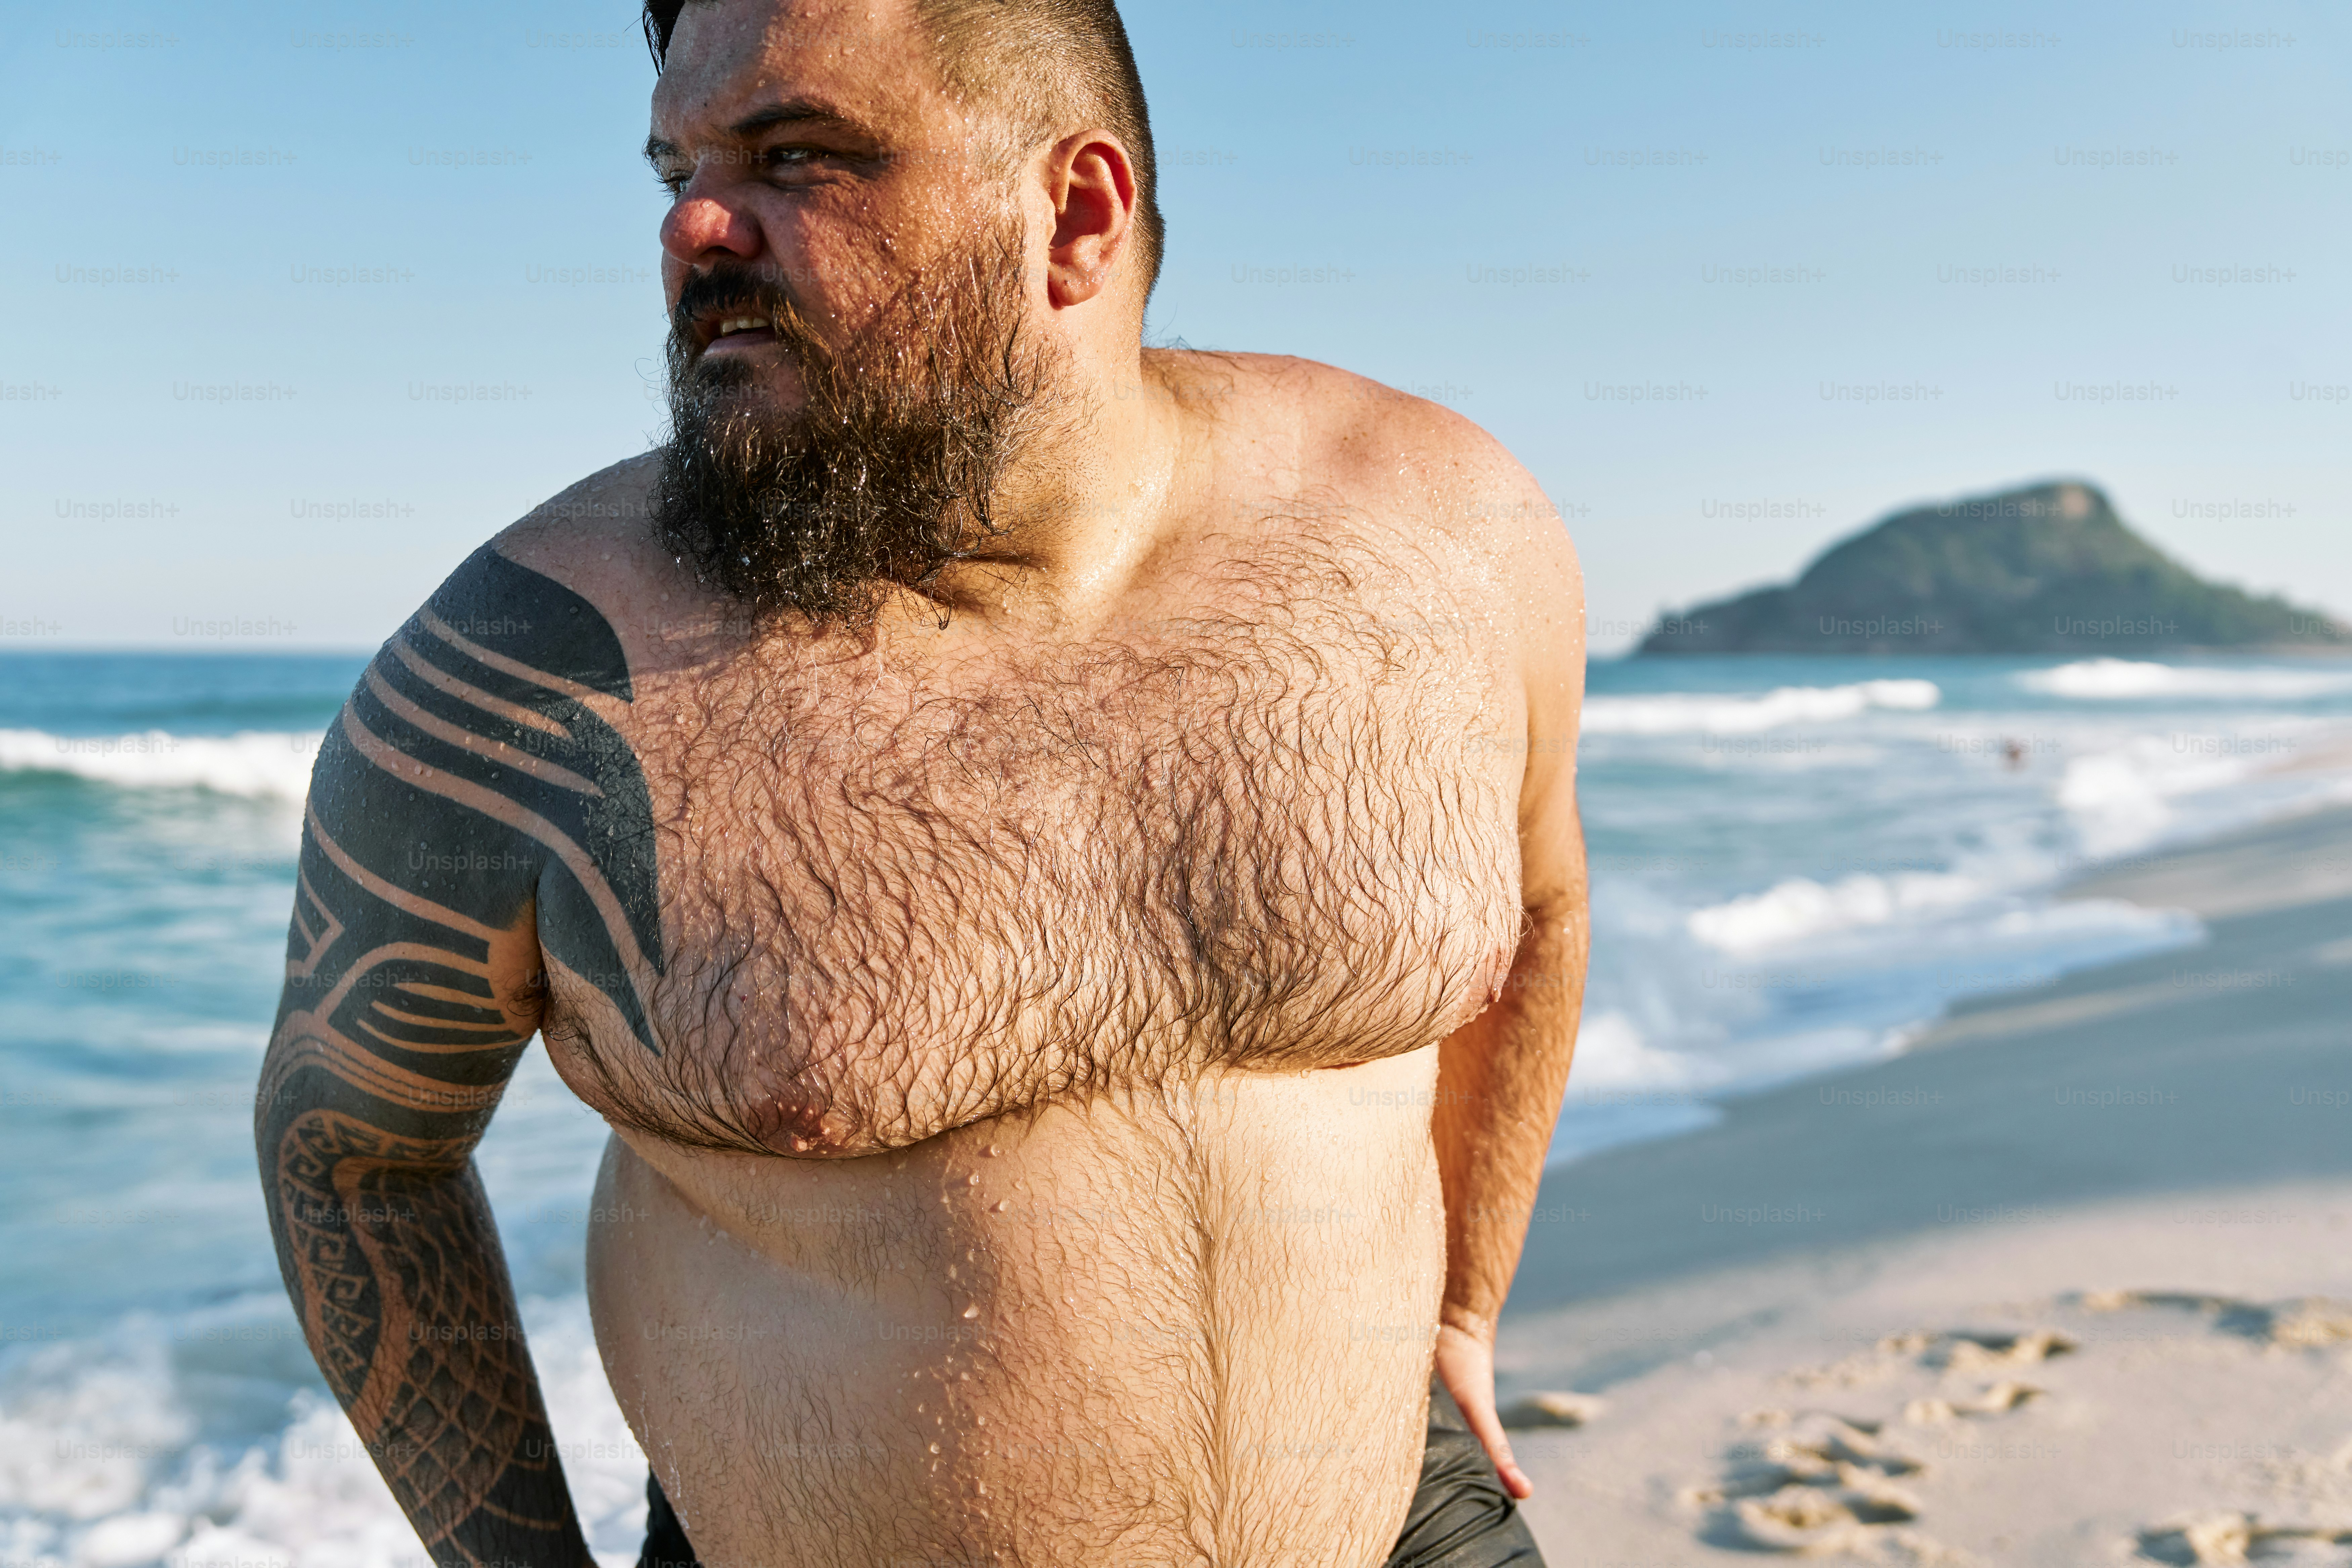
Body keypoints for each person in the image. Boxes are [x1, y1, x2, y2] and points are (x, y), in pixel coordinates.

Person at [253, 1, 1587, 1563]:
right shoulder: (533, 673)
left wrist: (1462, 1321)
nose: (693, 223)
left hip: (1404, 1523)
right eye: (676, 162)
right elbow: (352, 1156)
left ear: (1074, 212)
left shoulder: (1440, 532)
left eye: (796, 156)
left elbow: (1538, 907)